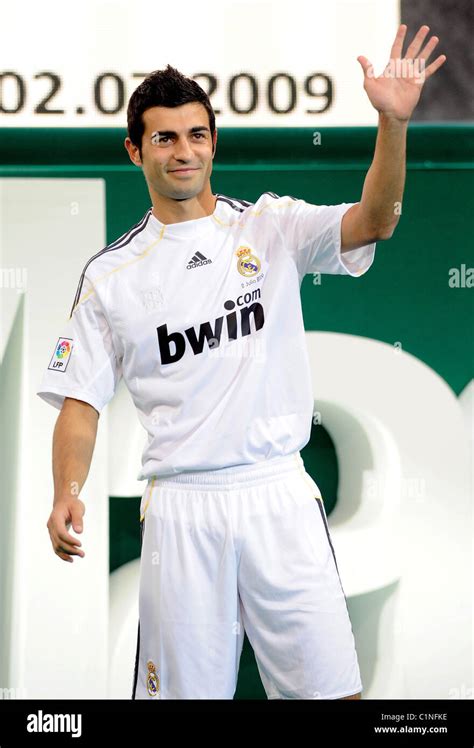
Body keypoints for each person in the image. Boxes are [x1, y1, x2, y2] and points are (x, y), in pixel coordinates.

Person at [37, 26, 446, 700]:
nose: (184, 151)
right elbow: (79, 403)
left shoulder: (270, 226)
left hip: (280, 495)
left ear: (213, 143)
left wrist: (392, 123)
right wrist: (67, 493)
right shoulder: (111, 275)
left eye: (197, 135)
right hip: (181, 512)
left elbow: (379, 220)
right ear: (135, 150)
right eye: (164, 138)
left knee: (335, 695)